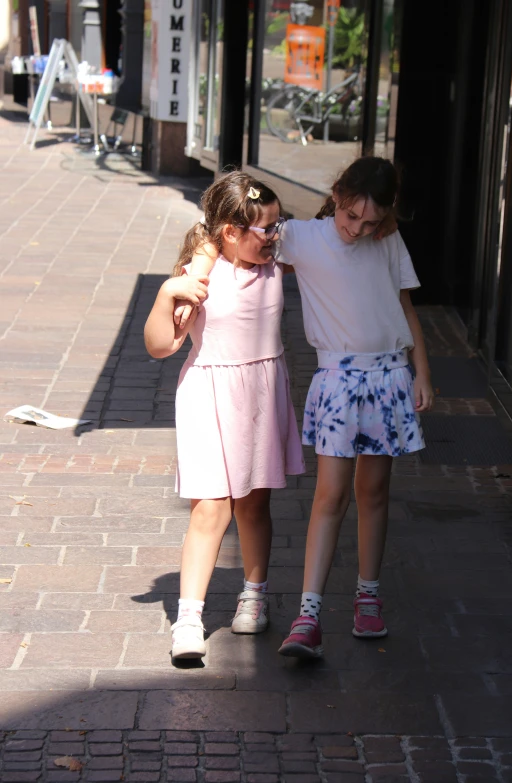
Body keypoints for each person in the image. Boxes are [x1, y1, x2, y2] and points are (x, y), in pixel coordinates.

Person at [183, 156, 434, 659]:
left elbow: (404, 306)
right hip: (338, 378)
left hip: (388, 375)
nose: (357, 228)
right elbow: (227, 231)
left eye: (369, 220)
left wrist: (422, 371)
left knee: (375, 491)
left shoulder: (386, 238)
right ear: (337, 195)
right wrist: (198, 273)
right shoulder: (301, 236)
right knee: (330, 495)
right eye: (350, 216)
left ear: (385, 216)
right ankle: (309, 613)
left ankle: (367, 596)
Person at [144, 171, 305, 660]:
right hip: (208, 394)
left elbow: (329, 236)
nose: (275, 235)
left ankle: (254, 595)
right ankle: (188, 619)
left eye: (278, 224)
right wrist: (168, 292)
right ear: (231, 232)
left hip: (261, 393)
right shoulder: (201, 274)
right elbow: (160, 346)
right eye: (265, 228)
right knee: (209, 508)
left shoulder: (277, 264)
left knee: (254, 504)